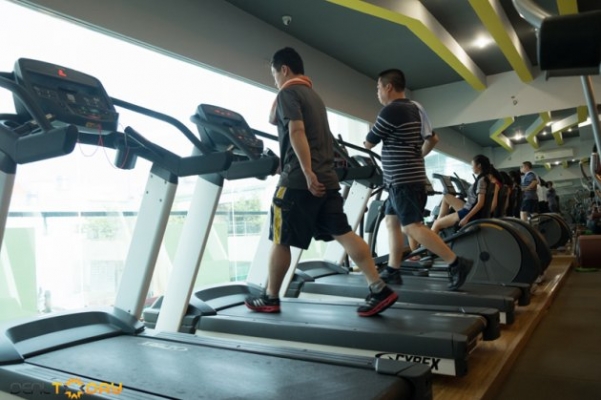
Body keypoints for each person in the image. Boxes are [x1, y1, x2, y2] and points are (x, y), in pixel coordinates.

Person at [245, 47, 398, 317]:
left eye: (274, 74)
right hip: (327, 179)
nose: (275, 81)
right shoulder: (313, 96)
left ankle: (270, 297)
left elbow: (296, 130)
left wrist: (306, 171)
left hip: (299, 180)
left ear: (284, 69)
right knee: (344, 233)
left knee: (280, 239)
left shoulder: (288, 93)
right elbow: (294, 129)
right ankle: (378, 287)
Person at [363, 68, 472, 291]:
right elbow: (433, 139)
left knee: (412, 227)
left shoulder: (391, 110)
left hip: (403, 181)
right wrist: (417, 156)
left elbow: (369, 142)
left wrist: (409, 159)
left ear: (388, 87)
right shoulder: (416, 108)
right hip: (401, 180)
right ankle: (393, 269)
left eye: (378, 88)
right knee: (391, 221)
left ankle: (456, 262)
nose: (377, 93)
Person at [431, 155, 491, 233]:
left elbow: (480, 203)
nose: (472, 167)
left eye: (472, 165)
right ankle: (441, 222)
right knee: (446, 197)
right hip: (469, 207)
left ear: (479, 165)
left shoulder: (481, 180)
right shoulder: (483, 178)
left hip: (468, 212)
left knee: (436, 224)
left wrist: (466, 218)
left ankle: (437, 227)